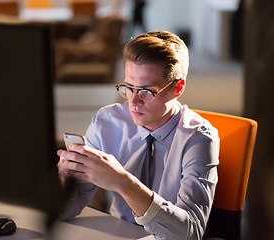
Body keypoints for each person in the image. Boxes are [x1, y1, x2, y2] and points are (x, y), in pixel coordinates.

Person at [57, 30, 219, 239]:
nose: (133, 102)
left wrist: (123, 182)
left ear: (178, 88)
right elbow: (65, 212)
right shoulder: (107, 122)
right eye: (129, 87)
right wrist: (65, 182)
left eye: (147, 91)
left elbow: (190, 233)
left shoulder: (199, 138)